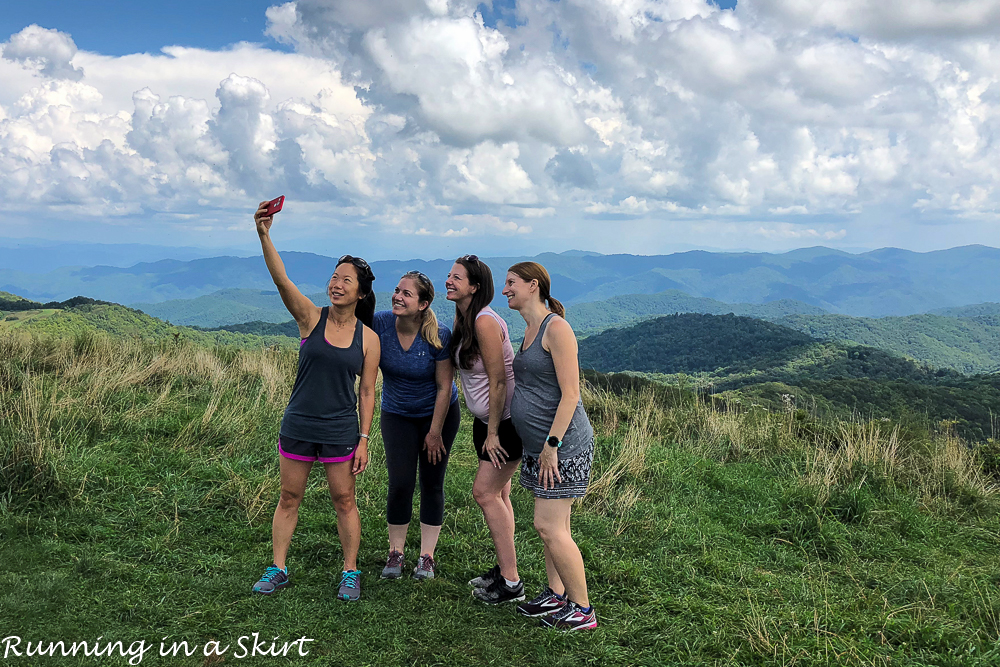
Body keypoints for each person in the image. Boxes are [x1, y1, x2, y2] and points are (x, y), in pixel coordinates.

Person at [249, 200, 380, 603]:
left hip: (340, 428)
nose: (336, 284)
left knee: (345, 499)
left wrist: (364, 438)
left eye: (345, 280)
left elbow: (367, 392)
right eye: (334, 277)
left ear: (360, 291)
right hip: (300, 423)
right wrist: (264, 234)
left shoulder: (368, 339)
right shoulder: (311, 318)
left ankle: (350, 571)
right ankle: (278, 567)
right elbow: (281, 280)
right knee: (289, 497)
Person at [503, 261, 597, 631]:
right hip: (539, 447)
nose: (506, 289)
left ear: (533, 285)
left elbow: (571, 393)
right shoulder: (528, 329)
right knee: (555, 525)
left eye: (511, 283)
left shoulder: (556, 329)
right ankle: (556, 596)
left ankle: (582, 610)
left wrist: (551, 444)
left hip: (562, 446)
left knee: (548, 526)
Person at [445, 255, 525, 604]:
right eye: (449, 275)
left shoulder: (484, 322)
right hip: (487, 422)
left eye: (457, 278)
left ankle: (511, 583)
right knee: (501, 495)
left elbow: (498, 382)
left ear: (474, 287)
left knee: (484, 493)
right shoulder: (464, 319)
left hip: (504, 424)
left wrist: (493, 433)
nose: (449, 281)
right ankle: (507, 570)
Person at [373, 271, 460, 580]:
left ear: (423, 304)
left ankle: (426, 556)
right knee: (400, 482)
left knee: (432, 482)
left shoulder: (439, 335)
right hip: (396, 413)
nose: (398, 296)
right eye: (397, 290)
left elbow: (443, 386)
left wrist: (434, 433)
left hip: (438, 414)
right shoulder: (380, 323)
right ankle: (395, 552)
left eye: (407, 294)